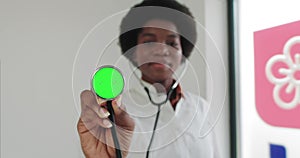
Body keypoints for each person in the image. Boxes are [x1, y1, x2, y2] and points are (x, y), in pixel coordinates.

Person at [77, 0, 220, 157]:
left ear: (183, 51)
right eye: (150, 41)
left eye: (172, 43)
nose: (161, 50)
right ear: (133, 51)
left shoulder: (201, 109)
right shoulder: (113, 113)